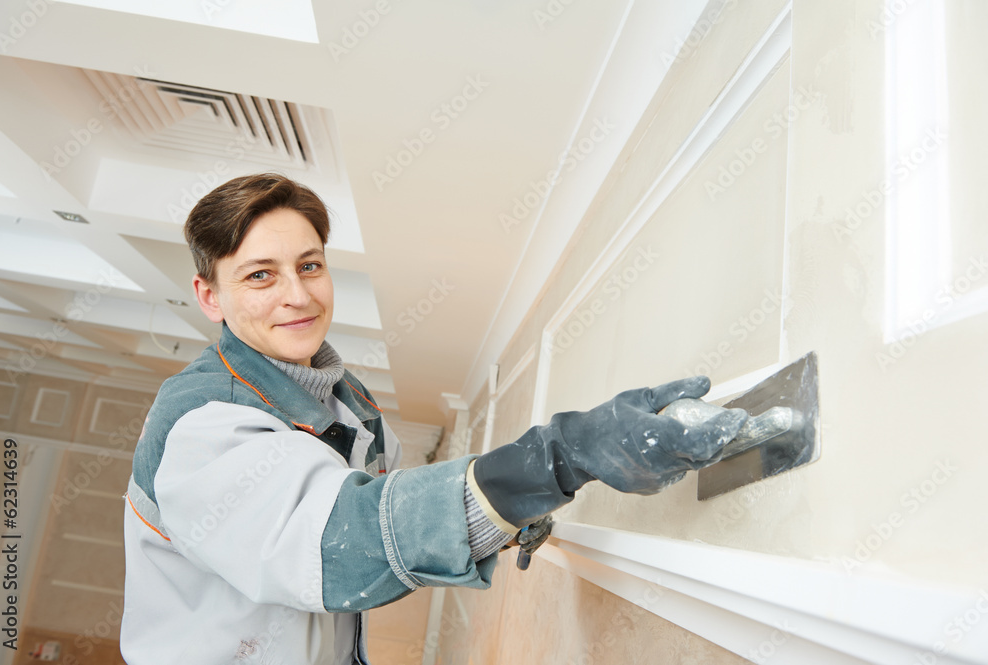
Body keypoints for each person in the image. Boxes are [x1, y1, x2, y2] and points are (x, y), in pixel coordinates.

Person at [120, 173, 747, 664]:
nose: (299, 295)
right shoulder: (200, 426)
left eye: (309, 265)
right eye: (261, 276)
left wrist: (507, 512)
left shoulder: (345, 398)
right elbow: (343, 545)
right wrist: (559, 457)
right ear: (210, 297)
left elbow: (391, 501)